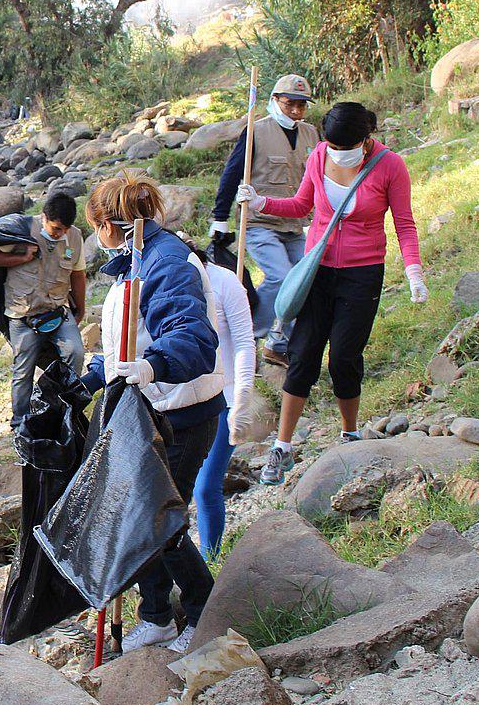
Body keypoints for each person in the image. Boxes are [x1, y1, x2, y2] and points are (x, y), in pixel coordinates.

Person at [236, 102, 427, 486]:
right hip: (318, 271)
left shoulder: (391, 166)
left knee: (343, 356)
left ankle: (349, 433)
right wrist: (260, 203)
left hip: (362, 274)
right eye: (333, 146)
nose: (339, 153)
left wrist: (413, 270)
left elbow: (403, 223)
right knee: (303, 353)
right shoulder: (320, 155)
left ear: (366, 137)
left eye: (347, 146)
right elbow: (302, 205)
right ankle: (283, 446)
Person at [79, 175, 221, 653]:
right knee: (142, 518)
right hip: (149, 407)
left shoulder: (168, 263)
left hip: (184, 410)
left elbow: (193, 339)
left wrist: (153, 365)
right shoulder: (132, 262)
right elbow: (126, 342)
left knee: (160, 521)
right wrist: (87, 380)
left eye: (95, 227)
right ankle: (157, 615)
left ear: (106, 224)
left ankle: (203, 612)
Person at [210, 74, 319, 366]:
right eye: (290, 104)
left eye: (302, 105)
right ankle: (250, 333)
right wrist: (220, 217)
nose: (296, 111)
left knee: (305, 280)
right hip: (260, 222)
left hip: (296, 223)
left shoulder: (311, 134)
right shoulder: (256, 131)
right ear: (274, 101)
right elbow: (232, 173)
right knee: (281, 276)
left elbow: (318, 178)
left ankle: (280, 341)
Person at [0, 191, 89, 423]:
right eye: (55, 229)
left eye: (64, 229)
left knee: (75, 353)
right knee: (23, 371)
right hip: (22, 316)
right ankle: (20, 422)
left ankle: (66, 413)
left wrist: (81, 309)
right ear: (44, 217)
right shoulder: (23, 231)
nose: (60, 234)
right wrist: (22, 257)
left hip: (57, 311)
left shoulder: (74, 237)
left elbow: (78, 274)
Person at [186, 240, 258, 560]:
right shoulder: (167, 285)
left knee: (205, 487)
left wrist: (242, 395)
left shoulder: (225, 281)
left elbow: (244, 341)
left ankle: (209, 561)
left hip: (225, 398)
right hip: (186, 400)